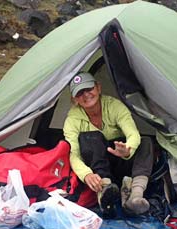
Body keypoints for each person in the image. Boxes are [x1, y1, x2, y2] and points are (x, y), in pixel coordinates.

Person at [63, 72, 154, 219]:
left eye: (89, 89)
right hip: (98, 171)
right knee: (91, 138)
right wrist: (86, 175)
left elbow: (133, 134)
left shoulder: (114, 106)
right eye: (80, 93)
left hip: (121, 160)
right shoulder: (72, 120)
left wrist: (127, 150)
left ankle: (135, 196)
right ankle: (105, 191)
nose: (86, 95)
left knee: (145, 143)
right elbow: (73, 153)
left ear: (98, 88)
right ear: (74, 99)